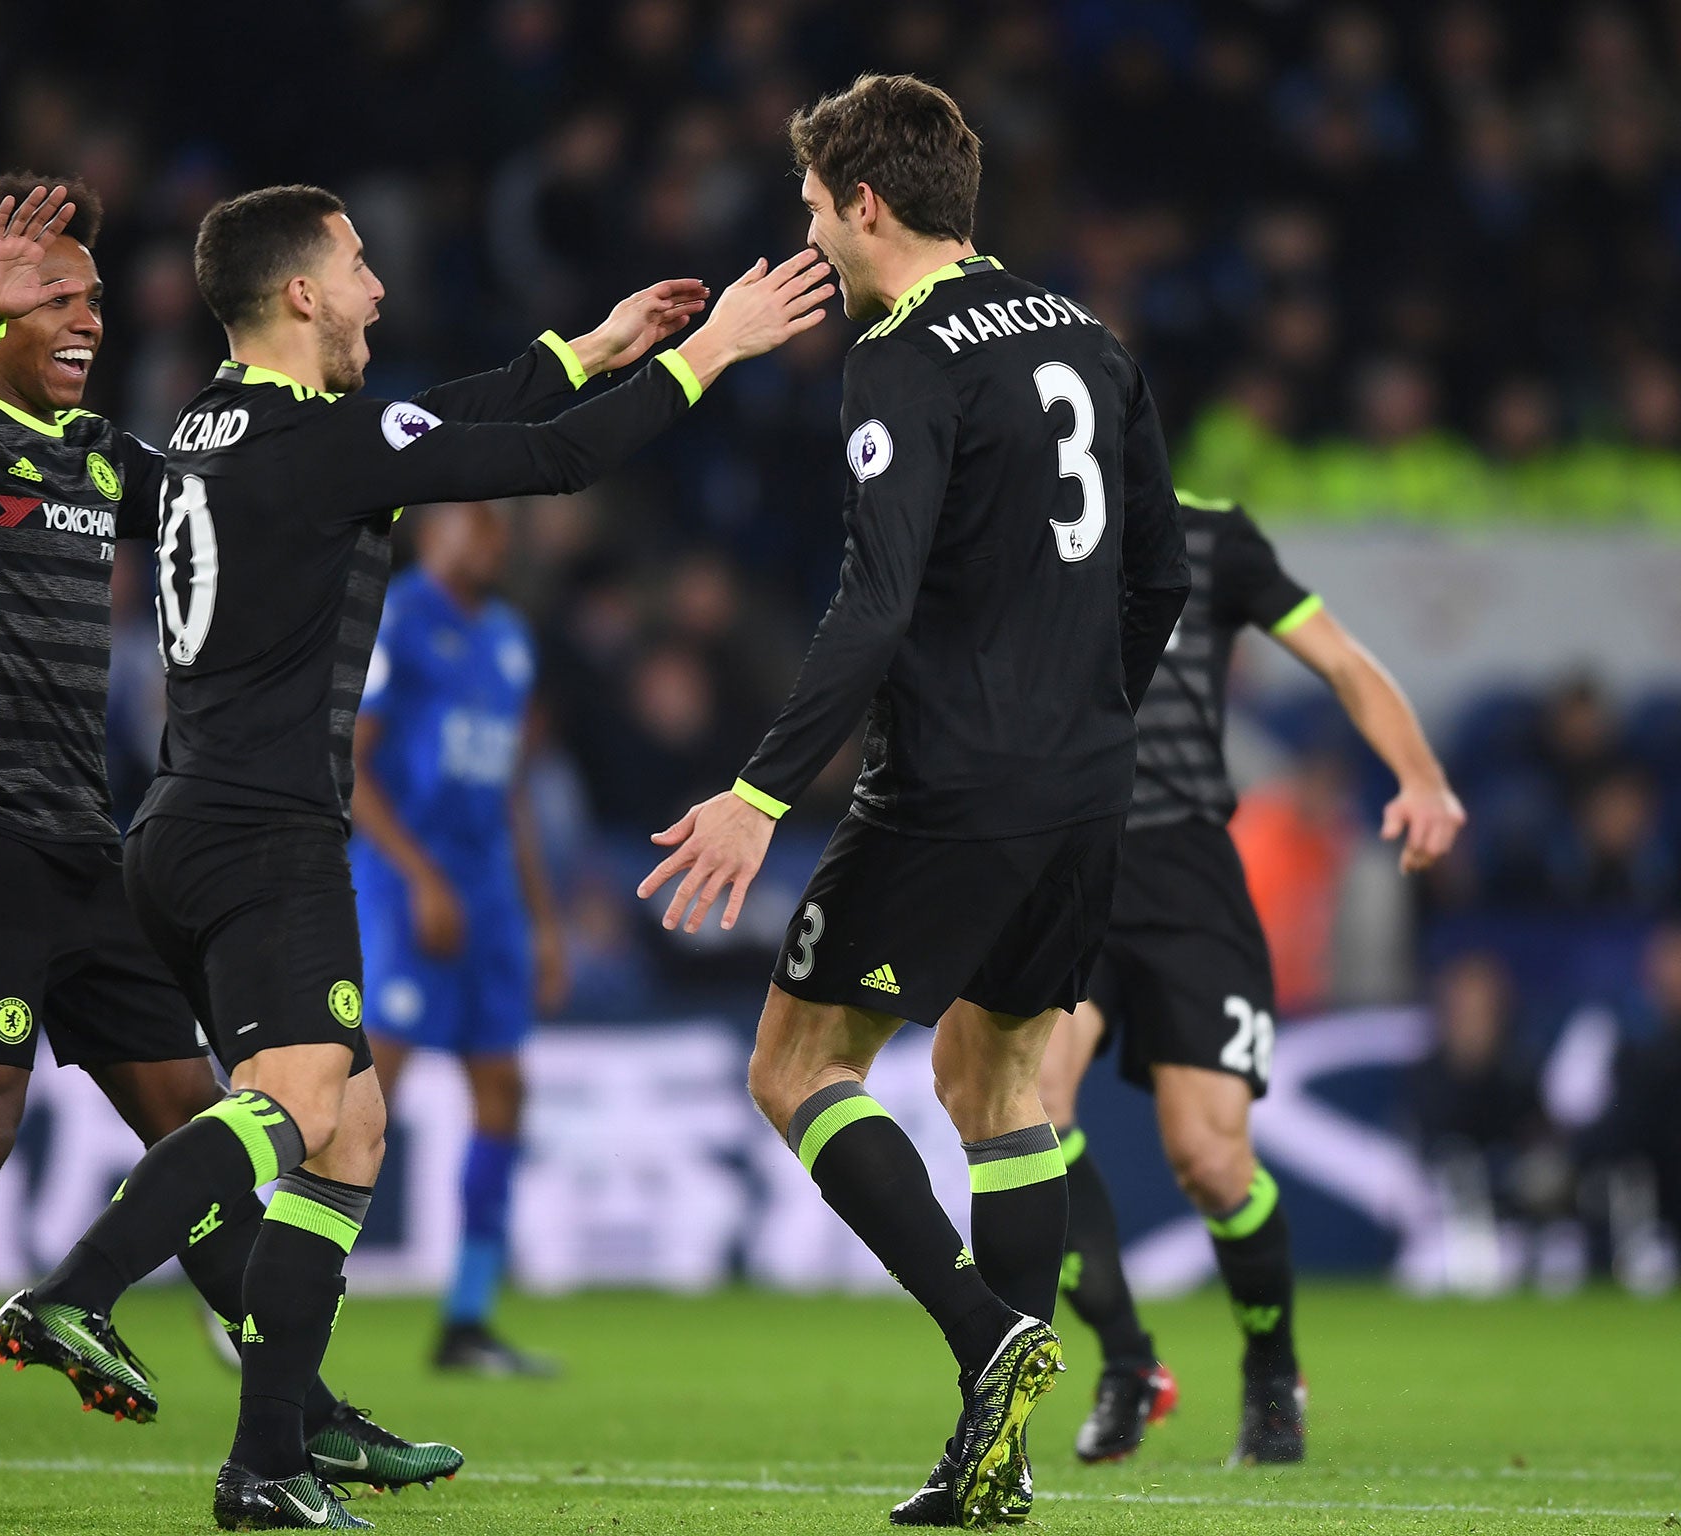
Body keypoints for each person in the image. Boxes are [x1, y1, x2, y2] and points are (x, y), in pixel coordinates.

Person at [6, 182, 831, 1531]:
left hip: (181, 825)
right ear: (301, 296)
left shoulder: (216, 430)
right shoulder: (321, 440)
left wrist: (588, 349)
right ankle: (77, 1294)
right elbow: (555, 464)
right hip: (266, 835)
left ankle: (277, 1447)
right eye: (357, 265)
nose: (380, 287)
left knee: (351, 1123)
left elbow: (433, 425)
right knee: (292, 1103)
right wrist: (714, 349)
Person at [0, 178, 451, 1523]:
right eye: (56, 297)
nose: (88, 318)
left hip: (90, 839)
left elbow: (233, 496)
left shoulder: (101, 457)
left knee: (207, 1118)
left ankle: (296, 1419)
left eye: (90, 298)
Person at [636, 75, 1190, 1529]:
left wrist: (760, 791)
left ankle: (979, 1331)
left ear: (864, 204)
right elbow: (1165, 581)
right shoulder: (1094, 337)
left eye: (812, 206)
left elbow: (873, 606)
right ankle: (990, 1462)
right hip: (1085, 785)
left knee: (793, 1065)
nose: (806, 229)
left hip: (952, 789)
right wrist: (1085, 717)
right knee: (992, 1086)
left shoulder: (904, 355)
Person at [1037, 490, 1465, 1467]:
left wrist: (1418, 774)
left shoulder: (1209, 534)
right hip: (1058, 864)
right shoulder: (1002, 518)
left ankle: (1271, 1370)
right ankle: (1126, 1360)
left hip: (1186, 874)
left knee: (1210, 1159)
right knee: (1027, 1105)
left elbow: (1340, 661)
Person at [353, 501, 565, 1377]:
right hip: (409, 890)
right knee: (371, 1098)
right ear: (433, 529)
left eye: (501, 526)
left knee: (505, 1092)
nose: (496, 538)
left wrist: (542, 917)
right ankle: (267, 1288)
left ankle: (467, 1320)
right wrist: (422, 878)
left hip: (488, 899)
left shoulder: (510, 636)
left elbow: (510, 787)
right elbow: (351, 769)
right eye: (479, 521)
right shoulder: (393, 619)